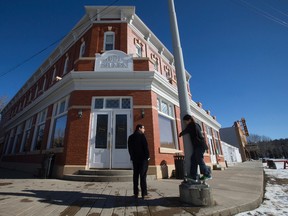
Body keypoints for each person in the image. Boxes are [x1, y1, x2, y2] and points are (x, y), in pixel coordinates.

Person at [179, 114, 211, 181]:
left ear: (189, 120)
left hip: (199, 146)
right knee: (193, 160)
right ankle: (193, 176)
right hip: (200, 146)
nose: (185, 123)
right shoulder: (196, 125)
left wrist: (180, 134)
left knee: (199, 160)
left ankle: (207, 174)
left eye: (185, 121)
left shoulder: (191, 125)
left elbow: (185, 131)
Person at [128, 124, 150, 198]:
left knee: (135, 176)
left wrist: (132, 157)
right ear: (139, 128)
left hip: (135, 159)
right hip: (143, 160)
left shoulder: (130, 137)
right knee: (143, 176)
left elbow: (130, 149)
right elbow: (146, 148)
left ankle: (136, 193)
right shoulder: (142, 136)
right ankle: (144, 194)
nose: (144, 130)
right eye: (143, 128)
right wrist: (148, 157)